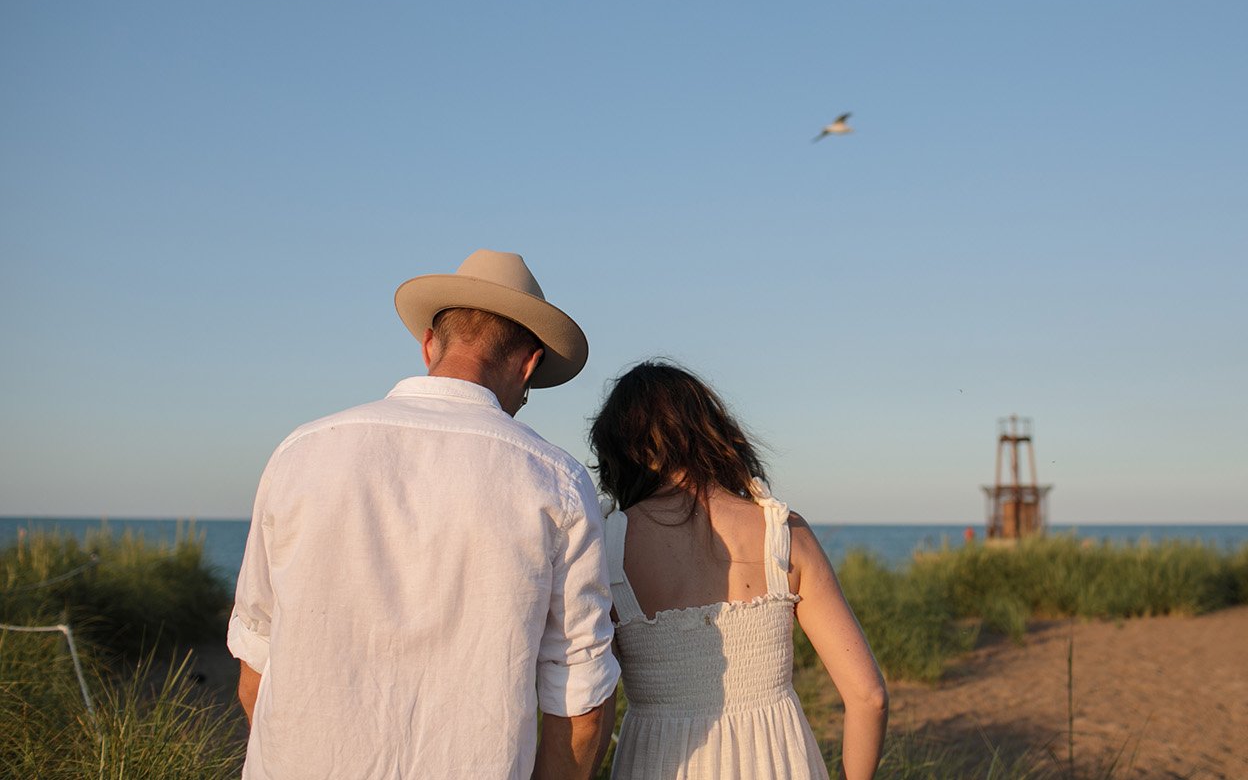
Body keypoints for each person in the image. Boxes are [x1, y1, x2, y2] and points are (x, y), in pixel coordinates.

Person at [227, 250, 619, 780]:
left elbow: (255, 661)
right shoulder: (558, 483)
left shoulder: (301, 451)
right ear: (529, 363)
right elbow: (582, 702)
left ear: (429, 344)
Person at [589, 361, 887, 780]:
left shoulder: (608, 546)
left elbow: (591, 715)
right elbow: (868, 696)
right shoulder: (782, 533)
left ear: (618, 450)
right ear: (711, 431)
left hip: (657, 764)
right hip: (781, 764)